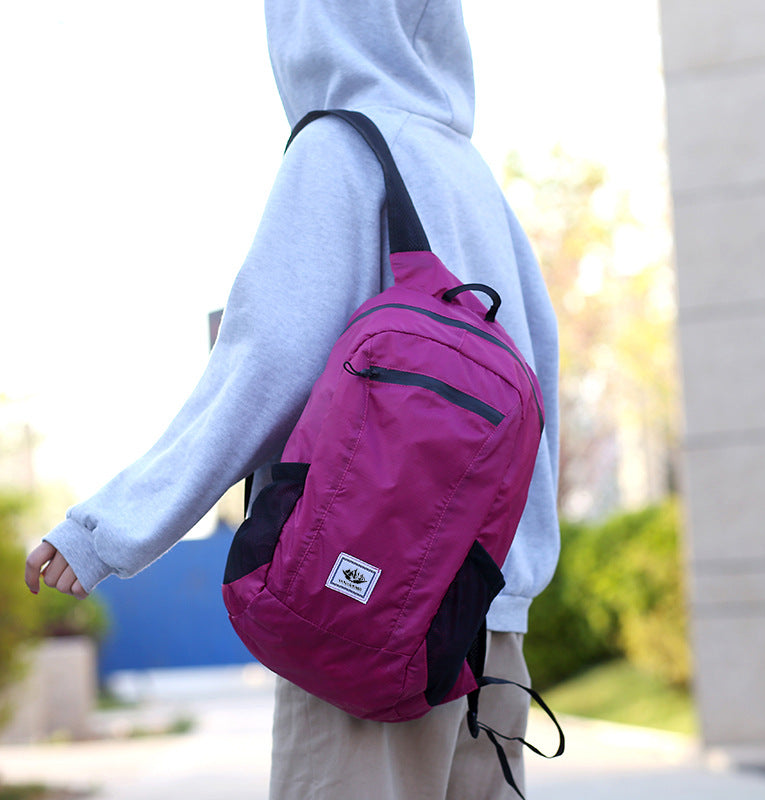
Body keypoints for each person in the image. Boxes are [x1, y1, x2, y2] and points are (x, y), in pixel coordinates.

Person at [26, 1, 560, 797]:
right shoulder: (472, 175)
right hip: (489, 627)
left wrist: (109, 530)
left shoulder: (340, 150)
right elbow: (538, 384)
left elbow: (263, 365)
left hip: (372, 624)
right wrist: (517, 574)